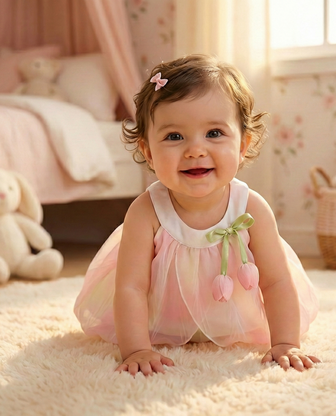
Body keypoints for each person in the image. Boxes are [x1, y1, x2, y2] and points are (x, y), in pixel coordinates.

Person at [74, 54, 320, 377]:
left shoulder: (251, 208)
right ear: (148, 151)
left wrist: (286, 342)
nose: (195, 150)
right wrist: (136, 349)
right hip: (164, 321)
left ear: (243, 145)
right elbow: (131, 288)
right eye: (174, 137)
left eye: (214, 133)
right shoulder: (146, 212)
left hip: (233, 318)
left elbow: (275, 282)